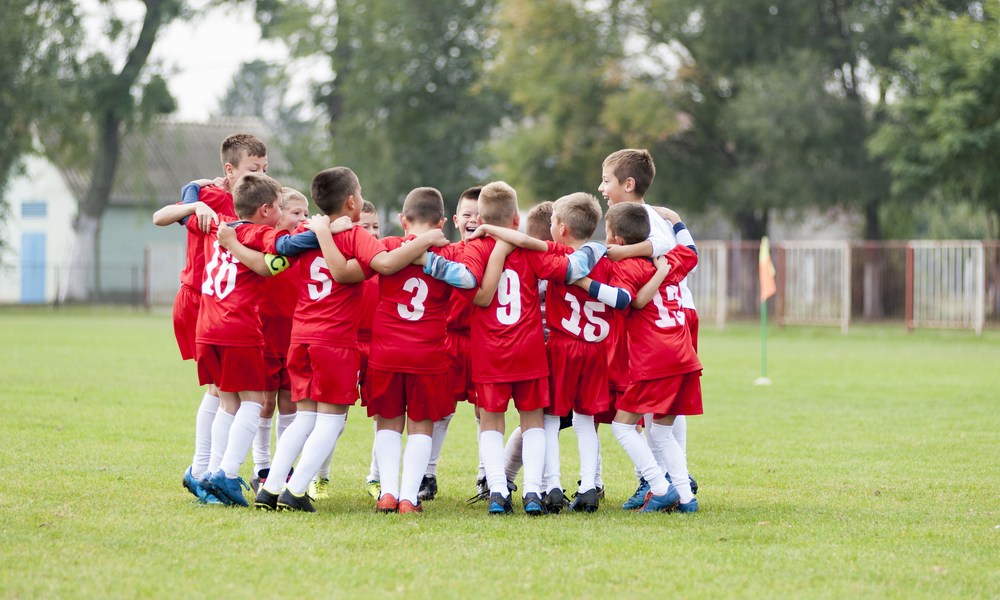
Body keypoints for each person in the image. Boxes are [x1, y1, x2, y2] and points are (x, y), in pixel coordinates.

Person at [252, 167, 447, 513]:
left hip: (302, 335)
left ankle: (269, 488)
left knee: (304, 418)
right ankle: (295, 491)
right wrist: (427, 239)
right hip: (334, 340)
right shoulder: (354, 235)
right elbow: (385, 263)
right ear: (352, 202)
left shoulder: (306, 231)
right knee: (331, 420)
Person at [460, 181, 603, 515]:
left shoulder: (475, 248)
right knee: (533, 421)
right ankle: (532, 492)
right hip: (528, 348)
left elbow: (473, 291)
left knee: (491, 422)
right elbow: (565, 265)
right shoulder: (529, 250)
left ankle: (497, 491)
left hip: (490, 349)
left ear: (481, 218)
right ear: (515, 220)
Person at [151, 133, 268, 504]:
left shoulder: (254, 201)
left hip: (223, 304)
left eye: (264, 169)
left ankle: (205, 471)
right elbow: (160, 216)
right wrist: (193, 202)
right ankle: (206, 471)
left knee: (223, 392)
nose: (260, 176)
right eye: (253, 169)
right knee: (222, 391)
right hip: (202, 301)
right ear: (229, 170)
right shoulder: (212, 197)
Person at [356, 187, 475, 513]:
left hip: (386, 351)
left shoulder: (388, 246)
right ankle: (409, 497)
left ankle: (387, 493)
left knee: (388, 423)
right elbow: (469, 277)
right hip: (428, 353)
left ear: (402, 220)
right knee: (422, 425)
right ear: (442, 222)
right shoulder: (450, 254)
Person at [599, 148, 701, 508]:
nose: (601, 187)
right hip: (676, 326)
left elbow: (657, 254)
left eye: (606, 180)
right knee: (664, 415)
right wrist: (678, 224)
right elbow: (685, 252)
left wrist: (620, 256)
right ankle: (678, 485)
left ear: (628, 183)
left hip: (661, 329)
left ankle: (659, 482)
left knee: (644, 414)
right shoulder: (655, 225)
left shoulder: (643, 223)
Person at [192, 173, 291, 507]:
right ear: (265, 210)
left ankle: (210, 474)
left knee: (228, 403)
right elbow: (274, 263)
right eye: (280, 207)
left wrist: (195, 195)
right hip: (237, 327)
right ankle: (228, 473)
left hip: (207, 327)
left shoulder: (221, 225)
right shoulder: (258, 232)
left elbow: (181, 205)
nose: (282, 214)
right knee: (253, 401)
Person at [312, 199, 382, 502]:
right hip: (346, 343)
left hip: (379, 345)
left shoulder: (384, 257)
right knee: (335, 420)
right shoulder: (337, 259)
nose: (372, 232)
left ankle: (377, 478)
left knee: (385, 415)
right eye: (365, 227)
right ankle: (319, 476)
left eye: (376, 226)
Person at [248, 187, 308, 493]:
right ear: (278, 213)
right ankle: (261, 466)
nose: (302, 218)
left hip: (295, 336)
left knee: (289, 403)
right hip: (266, 333)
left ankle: (283, 468)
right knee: (265, 401)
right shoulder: (266, 244)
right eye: (295, 212)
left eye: (306, 213)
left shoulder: (306, 247)